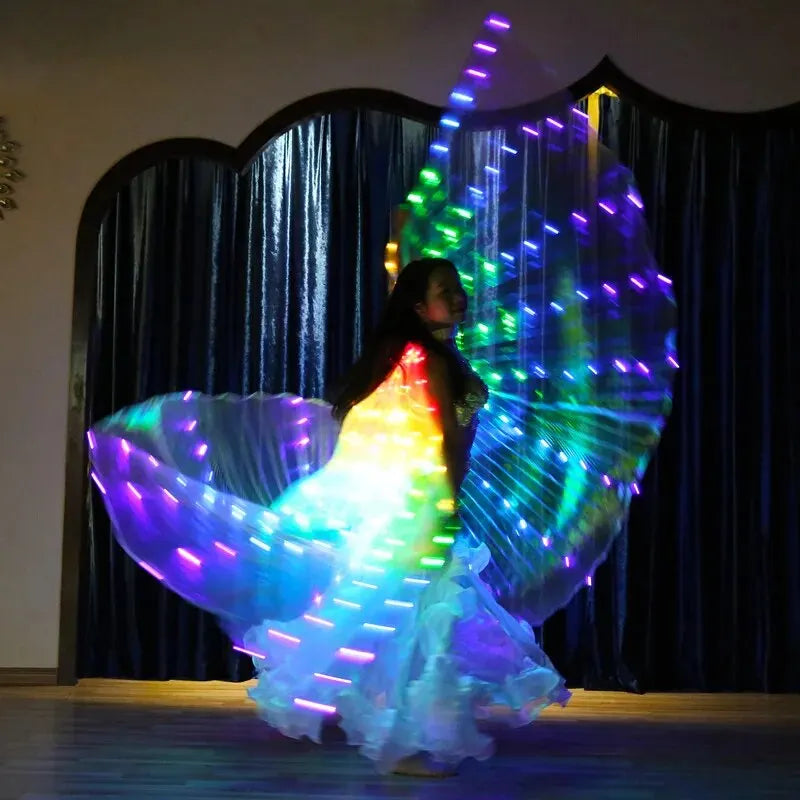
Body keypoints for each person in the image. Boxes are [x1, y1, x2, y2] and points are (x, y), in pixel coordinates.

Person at [240, 257, 570, 776]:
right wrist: (444, 504)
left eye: (460, 288)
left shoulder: (431, 353)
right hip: (422, 503)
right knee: (416, 621)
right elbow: (437, 440)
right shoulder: (427, 360)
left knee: (410, 618)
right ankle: (402, 745)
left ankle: (406, 729)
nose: (459, 298)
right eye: (446, 291)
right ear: (418, 305)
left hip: (422, 499)